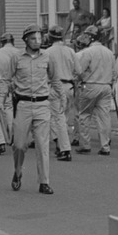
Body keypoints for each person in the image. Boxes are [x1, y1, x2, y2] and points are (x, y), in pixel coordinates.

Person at [9, 24, 62, 194]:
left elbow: (55, 79)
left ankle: (44, 182)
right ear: (25, 40)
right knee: (19, 145)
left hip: (42, 105)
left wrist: (62, 96)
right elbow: (5, 79)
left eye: (39, 38)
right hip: (23, 104)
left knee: (42, 145)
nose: (37, 41)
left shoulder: (47, 57)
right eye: (33, 38)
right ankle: (17, 172)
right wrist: (0, 98)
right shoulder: (17, 58)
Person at [73, 24, 116, 155]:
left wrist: (79, 79)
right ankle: (105, 146)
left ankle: (85, 144)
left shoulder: (87, 52)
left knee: (85, 115)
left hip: (90, 84)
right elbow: (114, 73)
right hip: (106, 85)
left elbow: (79, 70)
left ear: (91, 38)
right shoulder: (109, 53)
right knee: (104, 117)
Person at [45, 24, 76, 161]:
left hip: (54, 86)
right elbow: (79, 70)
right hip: (69, 85)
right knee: (64, 117)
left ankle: (64, 148)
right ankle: (61, 143)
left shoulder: (47, 52)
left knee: (57, 119)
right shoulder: (71, 51)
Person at [0, 32, 18, 145]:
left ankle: (9, 131)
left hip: (3, 83)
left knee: (6, 108)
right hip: (17, 84)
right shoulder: (19, 52)